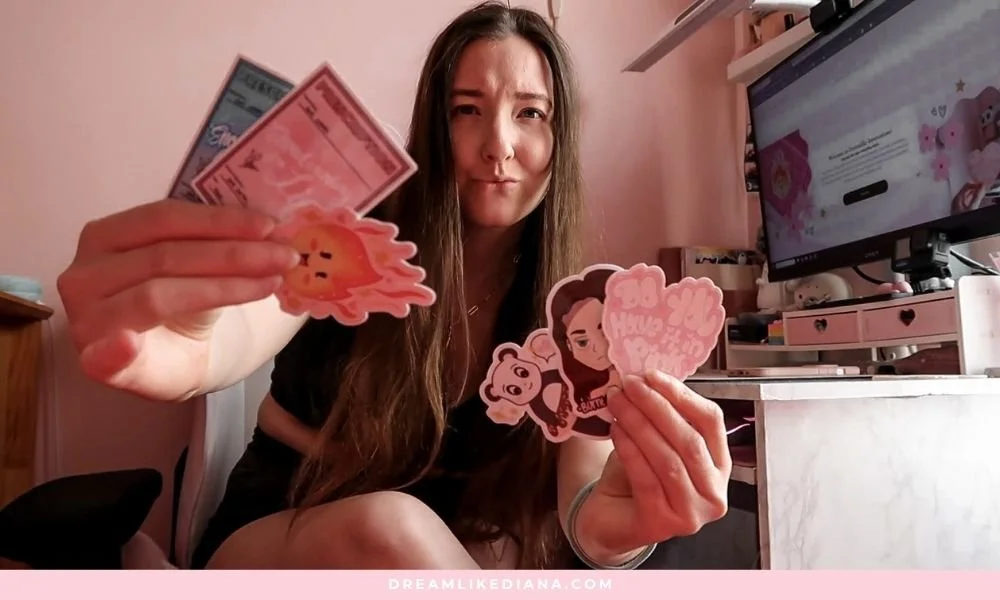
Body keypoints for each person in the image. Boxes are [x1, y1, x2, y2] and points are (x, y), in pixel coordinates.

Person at [57, 1, 731, 570]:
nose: (498, 144)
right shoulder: (356, 235)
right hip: (280, 531)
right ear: (434, 126)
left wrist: (624, 527)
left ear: (562, 136)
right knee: (392, 527)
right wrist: (194, 350)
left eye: (530, 113)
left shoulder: (580, 311)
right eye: (468, 110)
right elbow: (251, 320)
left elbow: (586, 499)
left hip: (438, 561)